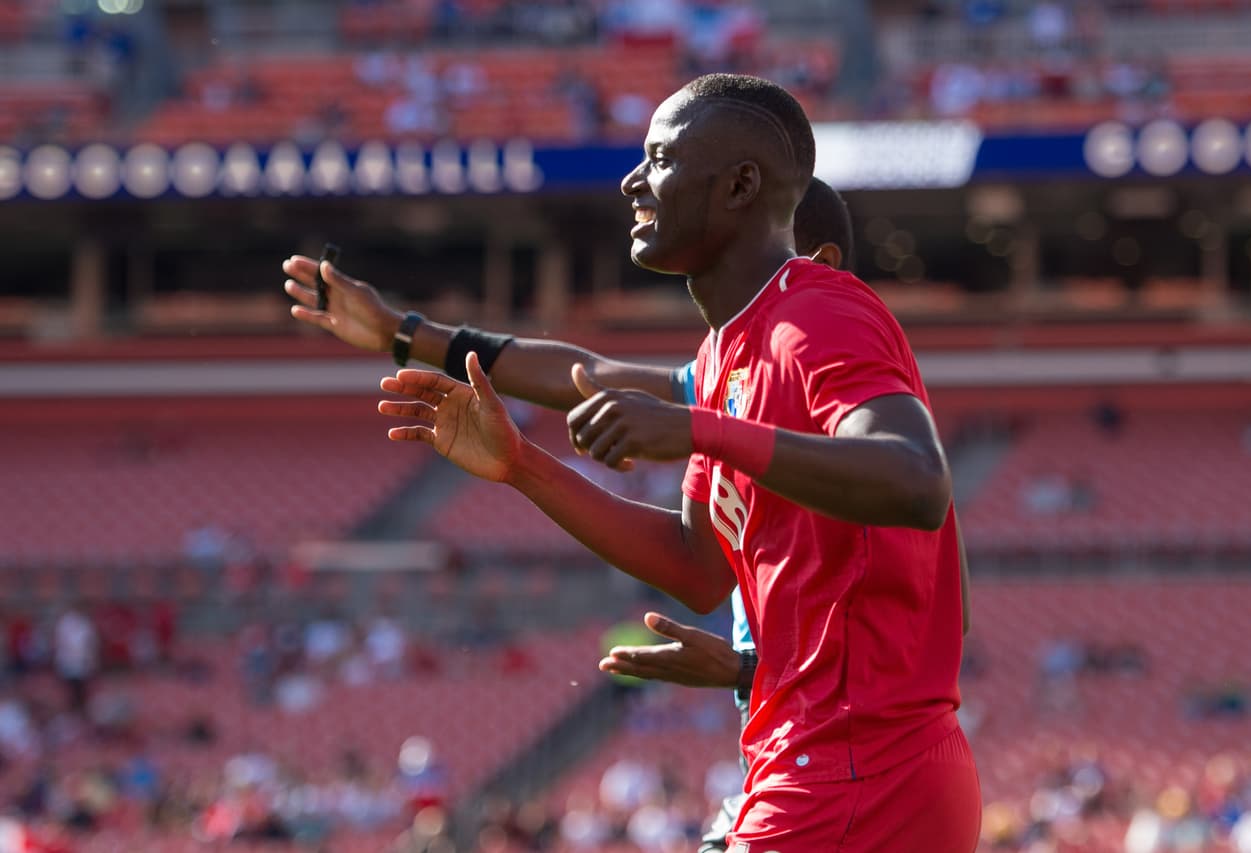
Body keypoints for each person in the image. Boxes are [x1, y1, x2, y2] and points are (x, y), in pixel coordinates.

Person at [371, 73, 980, 851]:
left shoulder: (818, 310)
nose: (632, 180)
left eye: (658, 158)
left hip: (855, 775)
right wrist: (522, 465)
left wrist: (702, 431)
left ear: (739, 185)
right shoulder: (727, 352)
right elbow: (694, 565)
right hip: (818, 764)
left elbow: (917, 480)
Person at [284, 176, 865, 850]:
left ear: (815, 264)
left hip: (835, 766)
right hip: (786, 755)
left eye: (733, 255)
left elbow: (927, 613)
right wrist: (403, 332)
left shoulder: (847, 410)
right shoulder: (734, 380)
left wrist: (752, 668)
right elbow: (585, 374)